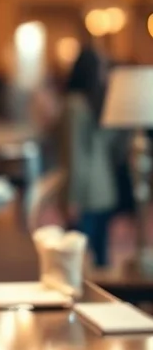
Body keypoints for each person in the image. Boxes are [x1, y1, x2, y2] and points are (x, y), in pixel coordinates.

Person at [60, 47, 123, 268]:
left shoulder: (75, 105)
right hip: (104, 186)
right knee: (100, 253)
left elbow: (75, 155)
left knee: (77, 256)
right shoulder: (94, 103)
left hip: (85, 191)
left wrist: (72, 198)